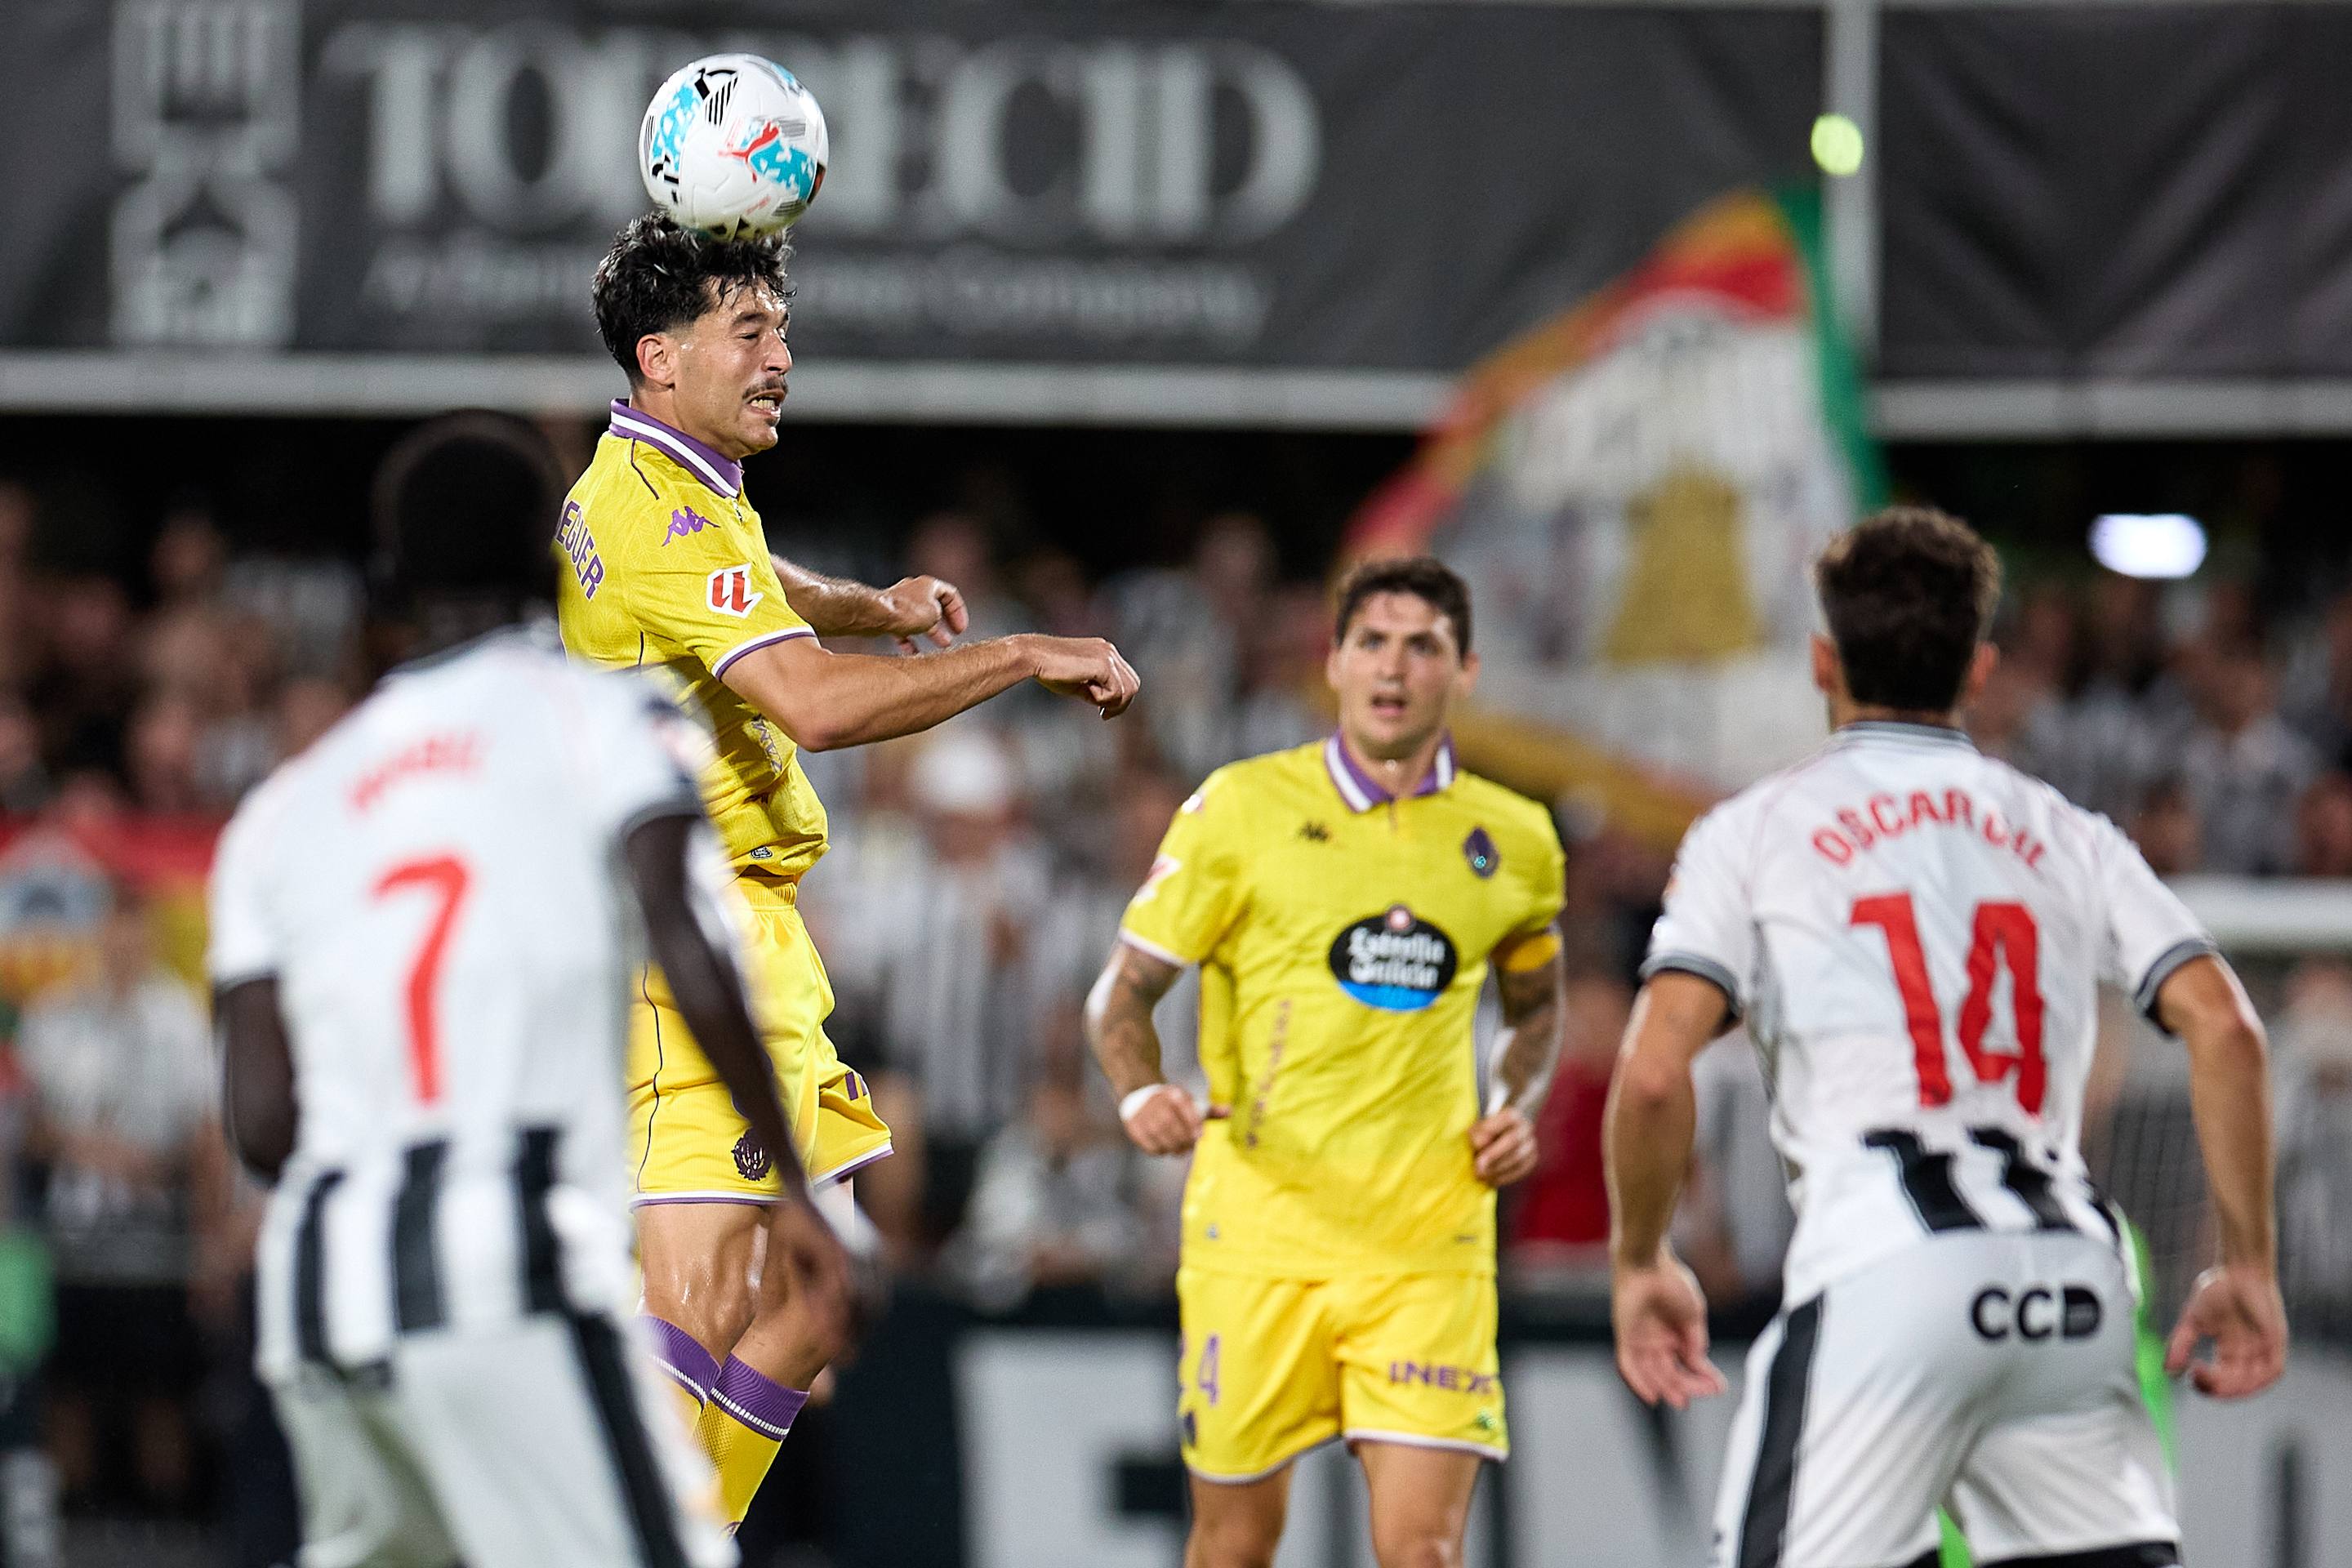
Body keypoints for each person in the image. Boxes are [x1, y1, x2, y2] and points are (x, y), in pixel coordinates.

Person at [556, 212, 1139, 1528]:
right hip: (682, 956)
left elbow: (748, 577)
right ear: (661, 356)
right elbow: (813, 709)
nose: (780, 359)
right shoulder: (649, 508)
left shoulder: (672, 484)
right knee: (688, 1330)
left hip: (748, 940)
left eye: (784, 332)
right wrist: (1022, 655)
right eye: (748, 332)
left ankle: (661, 1538)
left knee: (824, 1297)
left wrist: (867, 605)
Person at [1606, 506, 2285, 1568]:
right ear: (1979, 669)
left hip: (1886, 1266)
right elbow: (2229, 1030)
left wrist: (1640, 1257)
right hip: (2070, 1273)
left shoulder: (1756, 830)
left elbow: (1652, 1076)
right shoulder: (2069, 832)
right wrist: (2248, 1265)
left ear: (1822, 660)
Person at [207, 592, 858, 1565]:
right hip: (503, 1253)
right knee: (623, 1536)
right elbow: (682, 930)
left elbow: (259, 1127)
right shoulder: (588, 726)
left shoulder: (285, 814)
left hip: (328, 1277)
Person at [1086, 556, 1566, 1568]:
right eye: (1373, 642)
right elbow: (1122, 994)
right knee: (1235, 1544)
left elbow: (1536, 1005)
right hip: (1259, 1235)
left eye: (1423, 645)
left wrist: (1515, 1100)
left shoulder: (1515, 840)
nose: (1395, 667)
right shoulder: (1240, 810)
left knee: (1422, 1551)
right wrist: (1139, 1092)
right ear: (1335, 663)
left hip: (1428, 1243)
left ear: (1464, 670)